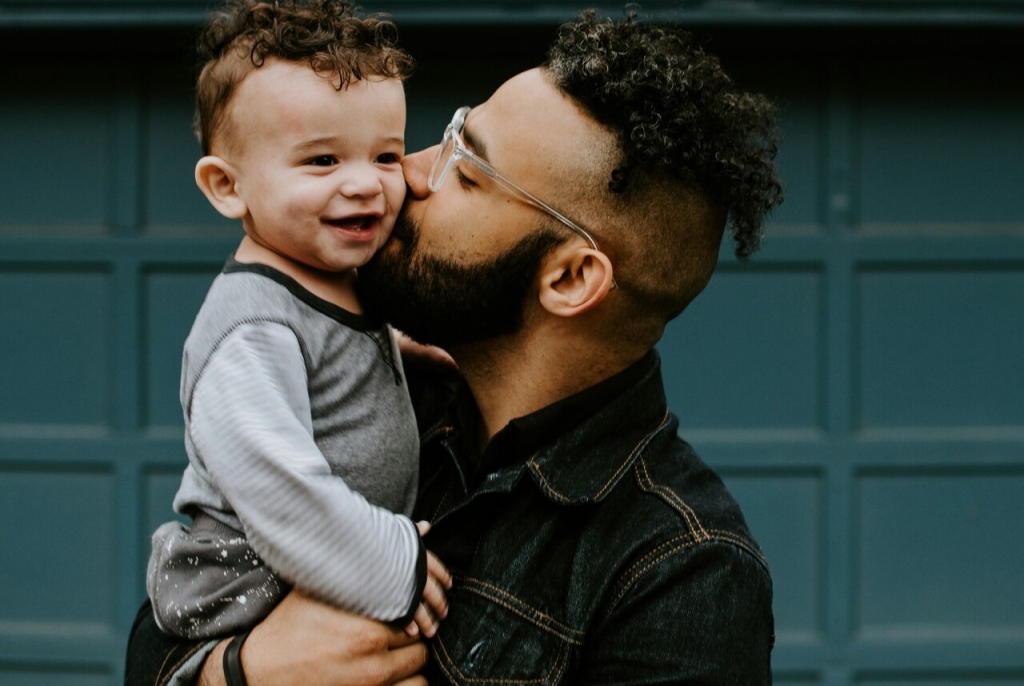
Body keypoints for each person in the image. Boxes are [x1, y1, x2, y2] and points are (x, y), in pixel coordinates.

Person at [125, 7, 784, 685]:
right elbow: (164, 627)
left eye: (465, 172)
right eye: (444, 140)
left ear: (570, 277)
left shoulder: (681, 571)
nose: (404, 175)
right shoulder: (377, 397)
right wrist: (238, 673)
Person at [143, 0, 451, 647]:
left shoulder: (330, 281)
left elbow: (326, 358)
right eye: (322, 161)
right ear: (228, 187)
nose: (366, 183)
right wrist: (393, 563)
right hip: (246, 582)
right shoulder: (250, 331)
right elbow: (279, 489)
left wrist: (396, 351)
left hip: (317, 564)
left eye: (386, 156)